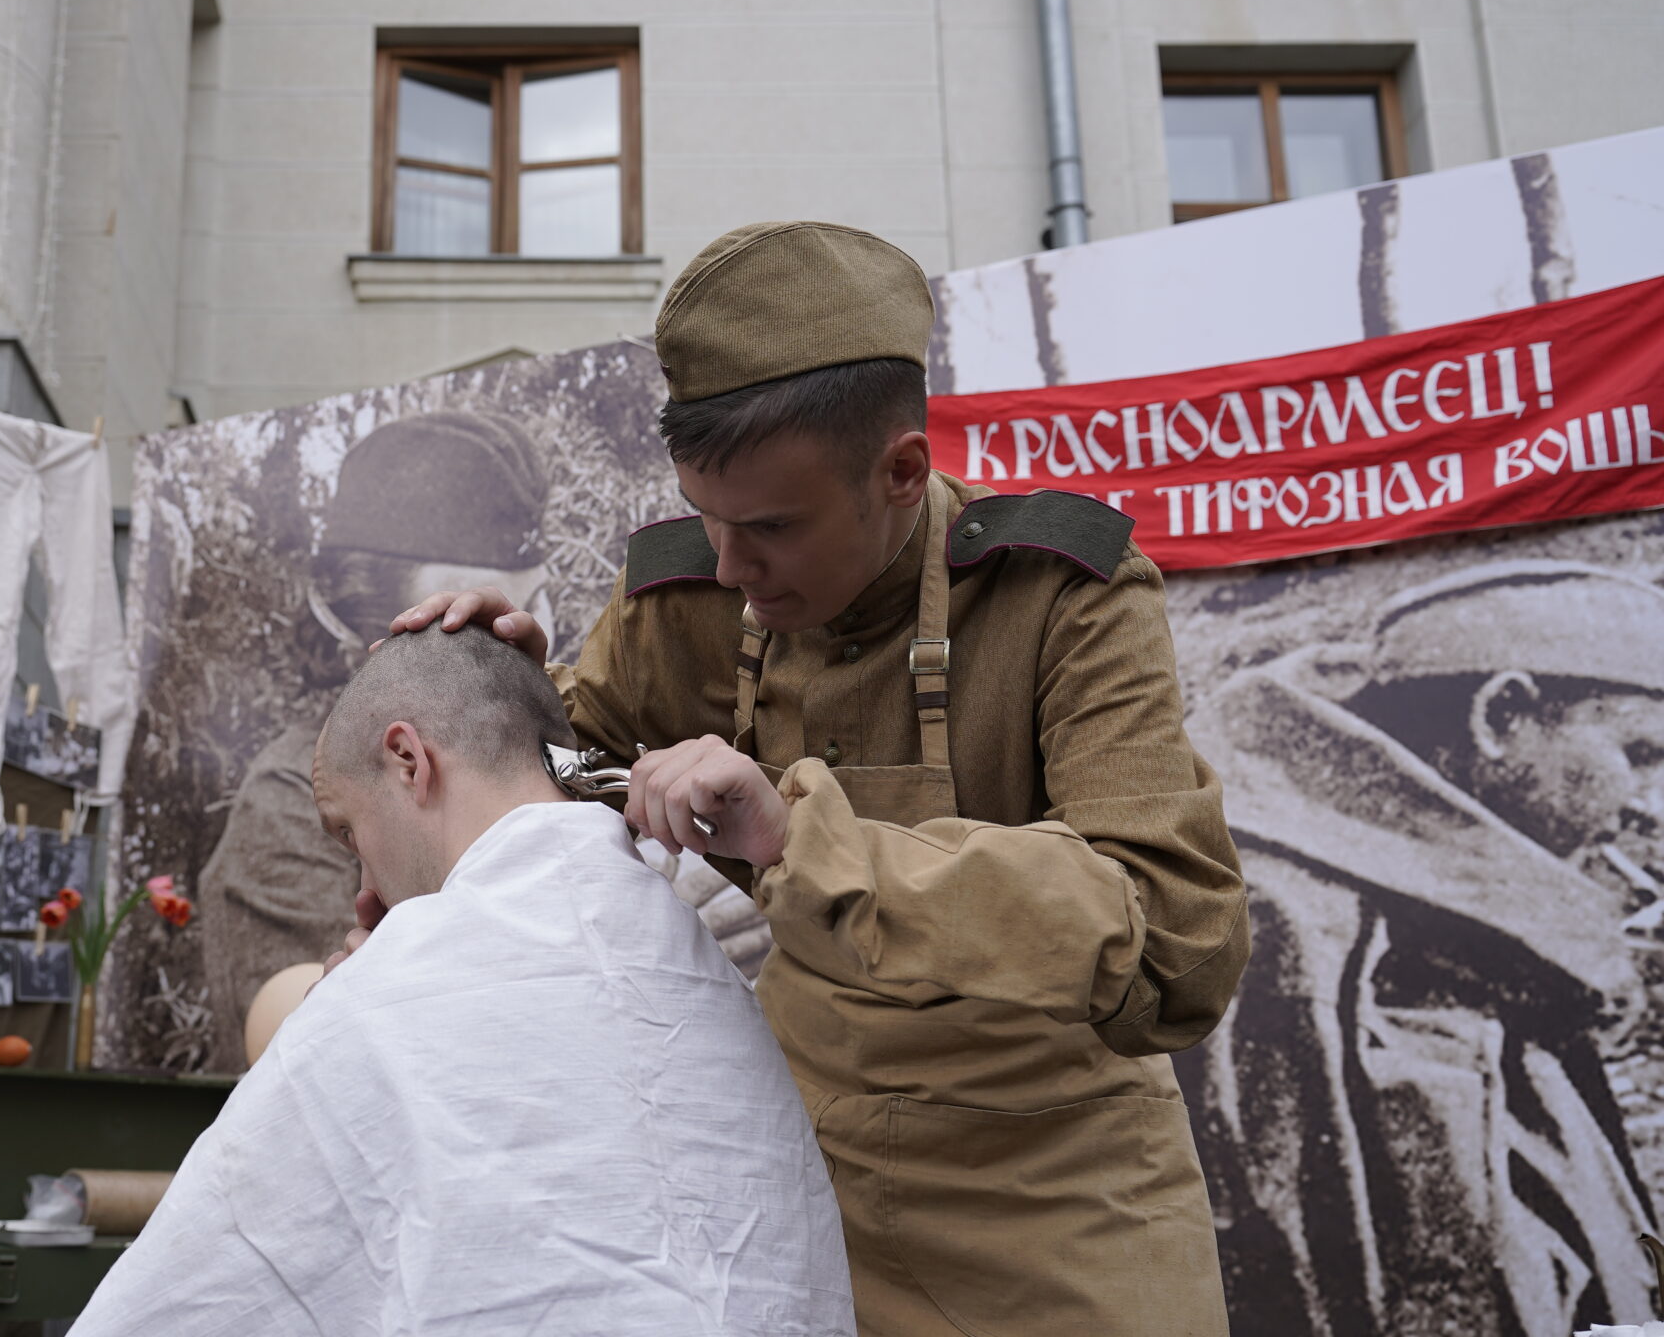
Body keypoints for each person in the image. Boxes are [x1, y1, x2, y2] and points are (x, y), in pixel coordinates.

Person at [386, 221, 1248, 1337]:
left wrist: (800, 847)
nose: (735, 573)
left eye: (772, 530)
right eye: (708, 519)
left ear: (899, 472)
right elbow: (572, 770)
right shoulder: (685, 600)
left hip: (1061, 1194)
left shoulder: (1061, 595)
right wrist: (512, 699)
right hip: (786, 1180)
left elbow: (1175, 936)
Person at [74, 625, 854, 1336]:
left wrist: (360, 1005)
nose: (364, 881)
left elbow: (186, 1302)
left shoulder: (382, 995)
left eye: (348, 829)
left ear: (409, 760)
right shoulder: (712, 985)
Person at [1180, 560, 1662, 1334]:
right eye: (1639, 754)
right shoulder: (1286, 927)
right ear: (1502, 716)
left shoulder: (1488, 922)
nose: (1649, 806)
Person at [195, 410, 554, 1068]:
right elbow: (293, 1040)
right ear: (374, 633)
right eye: (463, 619)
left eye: (530, 603)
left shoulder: (564, 758)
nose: (513, 633)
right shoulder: (292, 800)